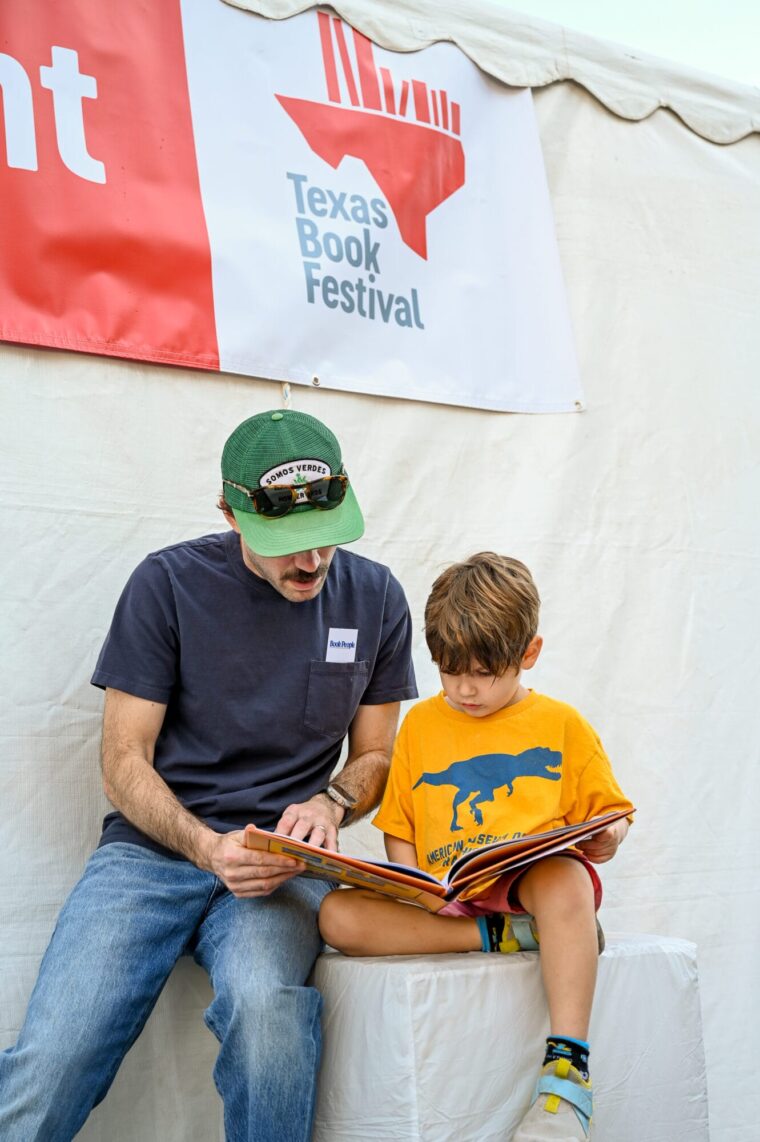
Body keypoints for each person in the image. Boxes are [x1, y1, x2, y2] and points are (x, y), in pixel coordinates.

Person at [0, 408, 417, 1142]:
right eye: (286, 544)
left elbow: (377, 755)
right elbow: (122, 760)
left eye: (325, 538)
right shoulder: (166, 585)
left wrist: (330, 803)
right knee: (55, 1056)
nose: (311, 563)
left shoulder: (377, 597)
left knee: (270, 1019)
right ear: (230, 512)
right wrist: (203, 848)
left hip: (282, 864)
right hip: (152, 854)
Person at [319, 552, 633, 1142]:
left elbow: (612, 817)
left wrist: (605, 837)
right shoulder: (419, 726)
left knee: (562, 878)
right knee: (335, 913)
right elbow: (402, 826)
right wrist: (413, 884)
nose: (465, 688)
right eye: (449, 670)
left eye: (484, 672)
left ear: (528, 655)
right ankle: (501, 939)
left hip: (530, 885)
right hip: (453, 898)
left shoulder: (562, 725)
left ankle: (566, 1081)